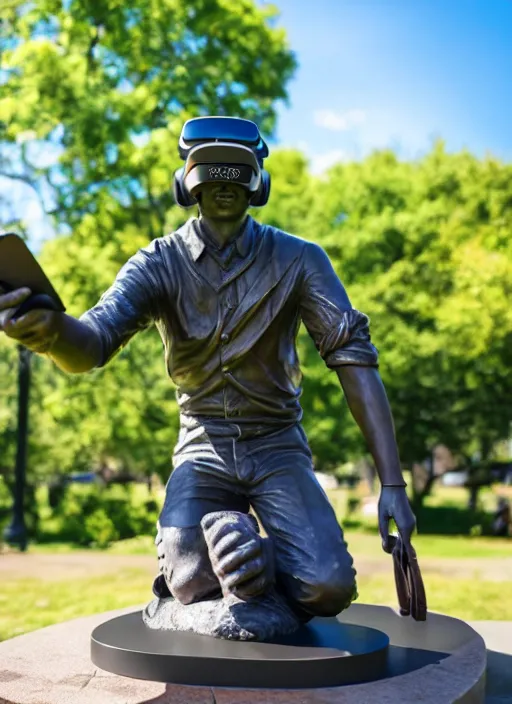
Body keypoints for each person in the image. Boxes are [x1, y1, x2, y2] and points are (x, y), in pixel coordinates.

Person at [0, 117, 417, 628]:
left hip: (277, 444)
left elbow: (353, 358)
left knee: (328, 585)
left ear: (257, 185)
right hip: (203, 447)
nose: (224, 190)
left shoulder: (301, 260)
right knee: (190, 578)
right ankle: (236, 592)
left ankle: (258, 568)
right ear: (186, 186)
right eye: (212, 179)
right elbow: (94, 342)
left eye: (236, 179)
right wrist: (51, 332)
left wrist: (392, 481)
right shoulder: (158, 263)